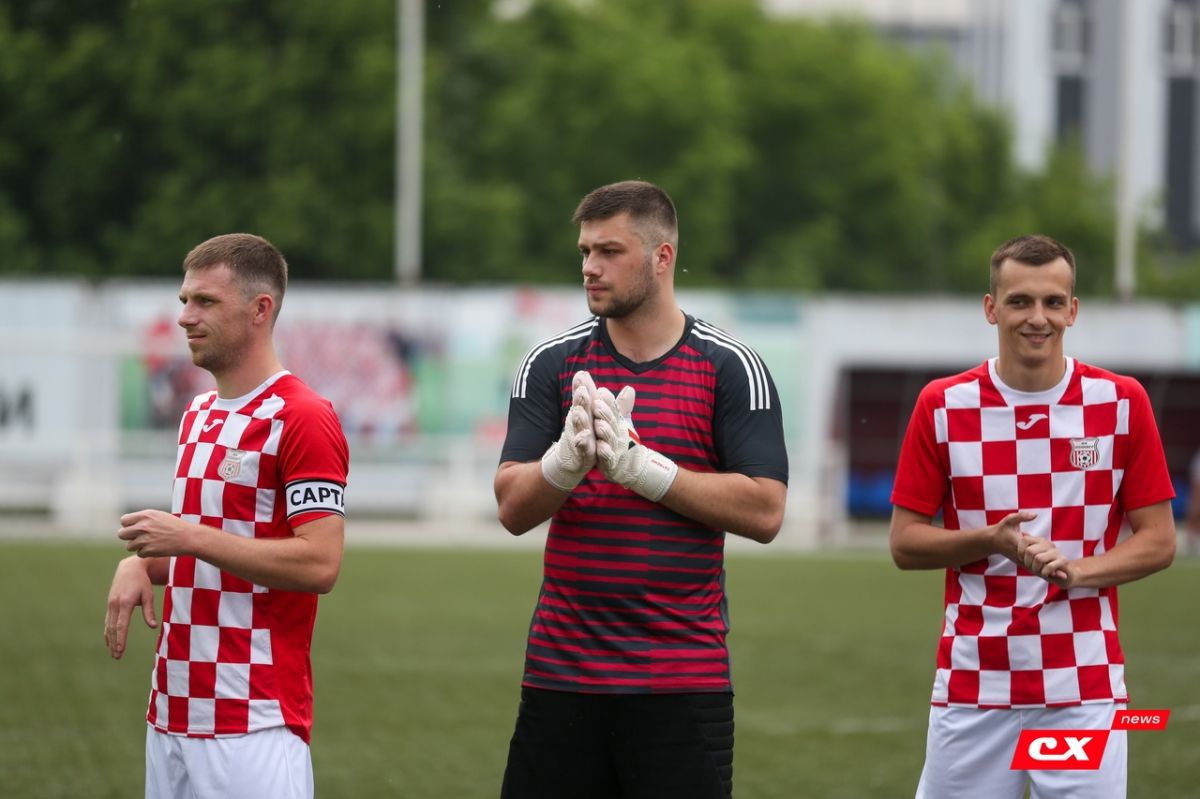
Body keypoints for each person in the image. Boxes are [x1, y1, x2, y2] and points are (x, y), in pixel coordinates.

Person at [493, 180, 789, 799]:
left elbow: (766, 510)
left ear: (662, 257)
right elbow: (512, 507)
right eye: (585, 251)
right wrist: (563, 465)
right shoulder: (552, 362)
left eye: (609, 251)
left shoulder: (730, 366)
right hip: (561, 676)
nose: (590, 268)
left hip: (683, 680)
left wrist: (646, 472)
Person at [889, 234, 1176, 799]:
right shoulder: (942, 405)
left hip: (1082, 691)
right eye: (1019, 301)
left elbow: (1160, 540)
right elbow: (905, 543)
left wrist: (1077, 570)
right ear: (991, 308)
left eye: (1052, 302)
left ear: (1073, 310)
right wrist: (990, 541)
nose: (1037, 317)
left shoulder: (1121, 402)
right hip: (974, 685)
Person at [103, 233, 349, 799]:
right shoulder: (198, 412)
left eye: (205, 302)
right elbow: (218, 551)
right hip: (170, 713)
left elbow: (320, 563)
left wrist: (187, 536)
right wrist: (143, 566)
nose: (185, 317)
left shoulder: (303, 416)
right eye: (184, 300)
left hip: (252, 719)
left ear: (260, 309)